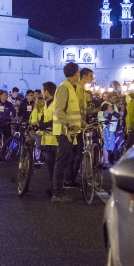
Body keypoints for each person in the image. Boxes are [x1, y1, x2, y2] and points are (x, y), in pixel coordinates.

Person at [51, 62, 82, 203]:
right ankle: (57, 194)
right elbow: (58, 111)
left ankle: (59, 191)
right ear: (75, 74)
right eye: (79, 72)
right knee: (61, 162)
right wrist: (70, 124)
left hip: (69, 131)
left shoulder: (72, 88)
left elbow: (73, 113)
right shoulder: (64, 88)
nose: (79, 74)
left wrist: (84, 124)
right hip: (64, 131)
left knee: (64, 161)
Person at [66, 67, 94, 187]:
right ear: (84, 77)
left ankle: (71, 178)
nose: (92, 79)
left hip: (79, 125)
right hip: (75, 126)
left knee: (78, 153)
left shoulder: (82, 90)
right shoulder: (77, 89)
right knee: (75, 153)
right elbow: (76, 109)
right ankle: (69, 178)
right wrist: (83, 124)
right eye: (91, 76)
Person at [38, 82, 57, 196]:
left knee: (55, 165)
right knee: (50, 165)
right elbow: (43, 117)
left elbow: (55, 120)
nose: (42, 93)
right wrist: (38, 124)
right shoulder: (47, 104)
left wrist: (42, 125)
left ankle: (56, 187)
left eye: (42, 90)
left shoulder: (55, 104)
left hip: (55, 139)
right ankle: (53, 186)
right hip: (48, 138)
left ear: (46, 91)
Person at [98, 101, 120, 165]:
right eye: (114, 98)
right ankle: (107, 161)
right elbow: (110, 116)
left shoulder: (109, 105)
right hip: (108, 128)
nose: (115, 99)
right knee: (108, 145)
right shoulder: (107, 105)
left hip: (109, 128)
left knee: (107, 145)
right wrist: (112, 112)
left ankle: (106, 160)